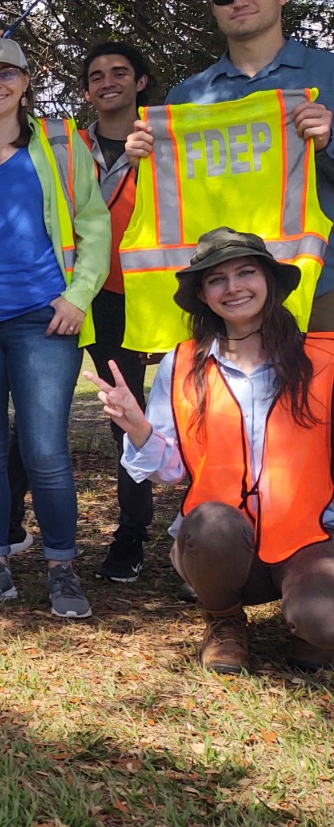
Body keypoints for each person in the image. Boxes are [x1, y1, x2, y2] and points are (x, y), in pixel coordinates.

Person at [88, 227, 334, 674]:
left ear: (270, 283)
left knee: (327, 621)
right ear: (203, 295)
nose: (234, 287)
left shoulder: (324, 360)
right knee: (211, 522)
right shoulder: (182, 364)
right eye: (217, 280)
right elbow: (170, 469)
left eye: (246, 273)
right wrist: (138, 426)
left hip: (308, 537)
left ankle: (311, 631)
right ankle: (223, 621)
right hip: (220, 544)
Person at [0, 36, 109, 619]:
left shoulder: (60, 144)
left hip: (44, 318)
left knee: (44, 449)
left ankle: (62, 568)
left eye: (8, 74)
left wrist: (79, 296)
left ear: (26, 82)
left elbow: (94, 225)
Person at [0, 42, 158, 583]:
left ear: (141, 81)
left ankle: (131, 539)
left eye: (120, 72)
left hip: (129, 297)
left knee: (124, 420)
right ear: (85, 90)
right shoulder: (64, 143)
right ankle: (10, 527)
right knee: (35, 423)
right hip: (63, 297)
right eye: (95, 76)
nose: (107, 82)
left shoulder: (165, 139)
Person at [126, 0, 334, 323]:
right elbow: (177, 201)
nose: (239, 0)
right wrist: (143, 163)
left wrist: (327, 144)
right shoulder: (186, 98)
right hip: (225, 301)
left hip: (321, 286)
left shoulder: (328, 74)